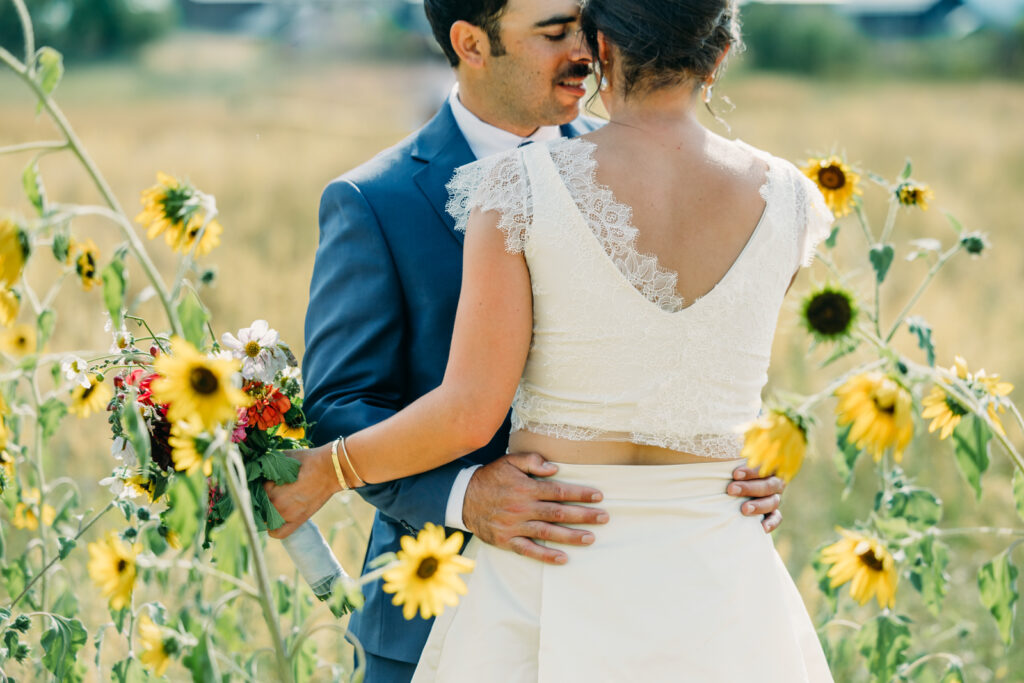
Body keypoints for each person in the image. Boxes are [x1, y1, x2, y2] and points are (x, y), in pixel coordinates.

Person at [274, 0, 790, 680]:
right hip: (439, 612)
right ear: (471, 43)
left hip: (659, 605)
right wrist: (464, 494)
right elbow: (342, 405)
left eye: (586, 24)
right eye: (554, 32)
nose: (585, 47)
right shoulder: (375, 199)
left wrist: (739, 459)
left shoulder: (642, 168)